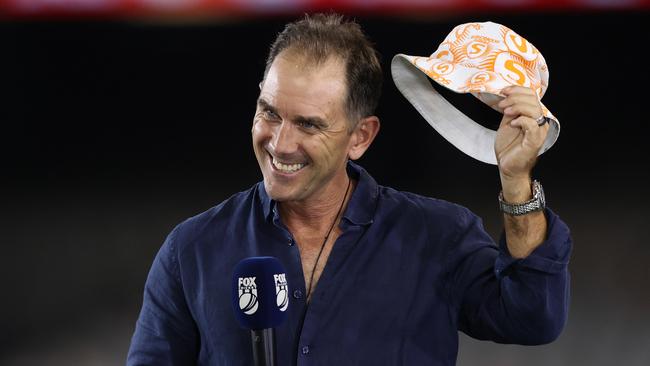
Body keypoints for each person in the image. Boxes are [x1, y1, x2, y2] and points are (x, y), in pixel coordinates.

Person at [127, 13, 571, 366]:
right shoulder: (192, 250)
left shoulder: (437, 237)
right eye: (269, 113)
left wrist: (516, 181)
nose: (280, 143)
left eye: (308, 124)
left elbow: (534, 318)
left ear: (360, 137)